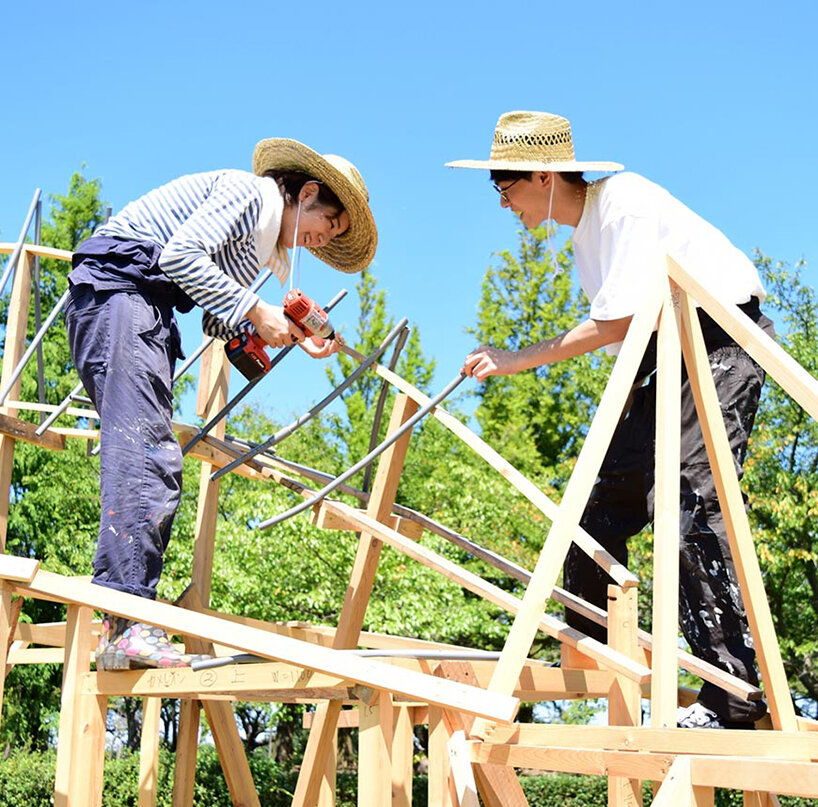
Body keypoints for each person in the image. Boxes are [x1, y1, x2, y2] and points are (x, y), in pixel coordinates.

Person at [449, 111, 772, 729]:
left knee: (688, 504)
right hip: (664, 359)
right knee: (597, 507)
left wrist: (517, 359)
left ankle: (732, 695)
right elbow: (626, 336)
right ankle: (592, 657)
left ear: (542, 176)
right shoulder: (585, 240)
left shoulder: (621, 203)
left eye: (504, 187)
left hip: (721, 343)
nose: (502, 203)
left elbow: (616, 325)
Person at [66, 139, 377, 670]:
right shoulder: (250, 195)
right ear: (306, 193)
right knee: (146, 457)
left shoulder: (257, 245)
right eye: (328, 225)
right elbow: (178, 255)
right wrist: (257, 310)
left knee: (149, 457)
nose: (321, 240)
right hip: (121, 294)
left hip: (135, 304)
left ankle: (125, 620)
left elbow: (214, 315)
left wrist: (281, 330)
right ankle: (124, 622)